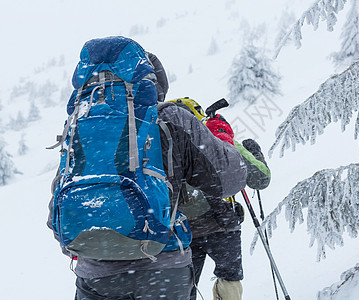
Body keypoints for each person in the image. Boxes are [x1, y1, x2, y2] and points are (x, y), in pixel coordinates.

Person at [47, 37, 247, 300]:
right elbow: (229, 179)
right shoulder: (171, 119)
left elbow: (56, 213)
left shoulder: (81, 123)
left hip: (95, 276)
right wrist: (224, 141)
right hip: (163, 269)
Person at [172, 100, 271, 300]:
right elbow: (260, 178)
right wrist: (252, 151)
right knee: (230, 280)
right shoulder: (216, 139)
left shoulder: (158, 145)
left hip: (180, 232)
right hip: (222, 225)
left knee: (183, 290)